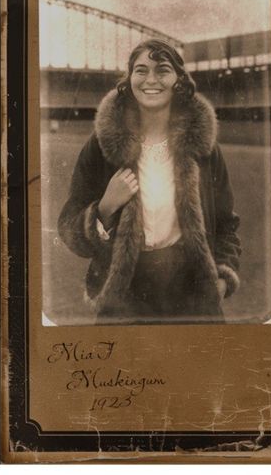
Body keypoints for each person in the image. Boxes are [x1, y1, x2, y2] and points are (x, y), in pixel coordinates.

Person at [58, 39, 241, 324]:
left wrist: (220, 280)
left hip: (192, 295)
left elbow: (227, 225)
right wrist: (104, 208)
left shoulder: (203, 148)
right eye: (140, 70)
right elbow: (70, 231)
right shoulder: (101, 146)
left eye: (162, 70)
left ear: (179, 79)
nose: (150, 80)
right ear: (129, 79)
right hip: (123, 297)